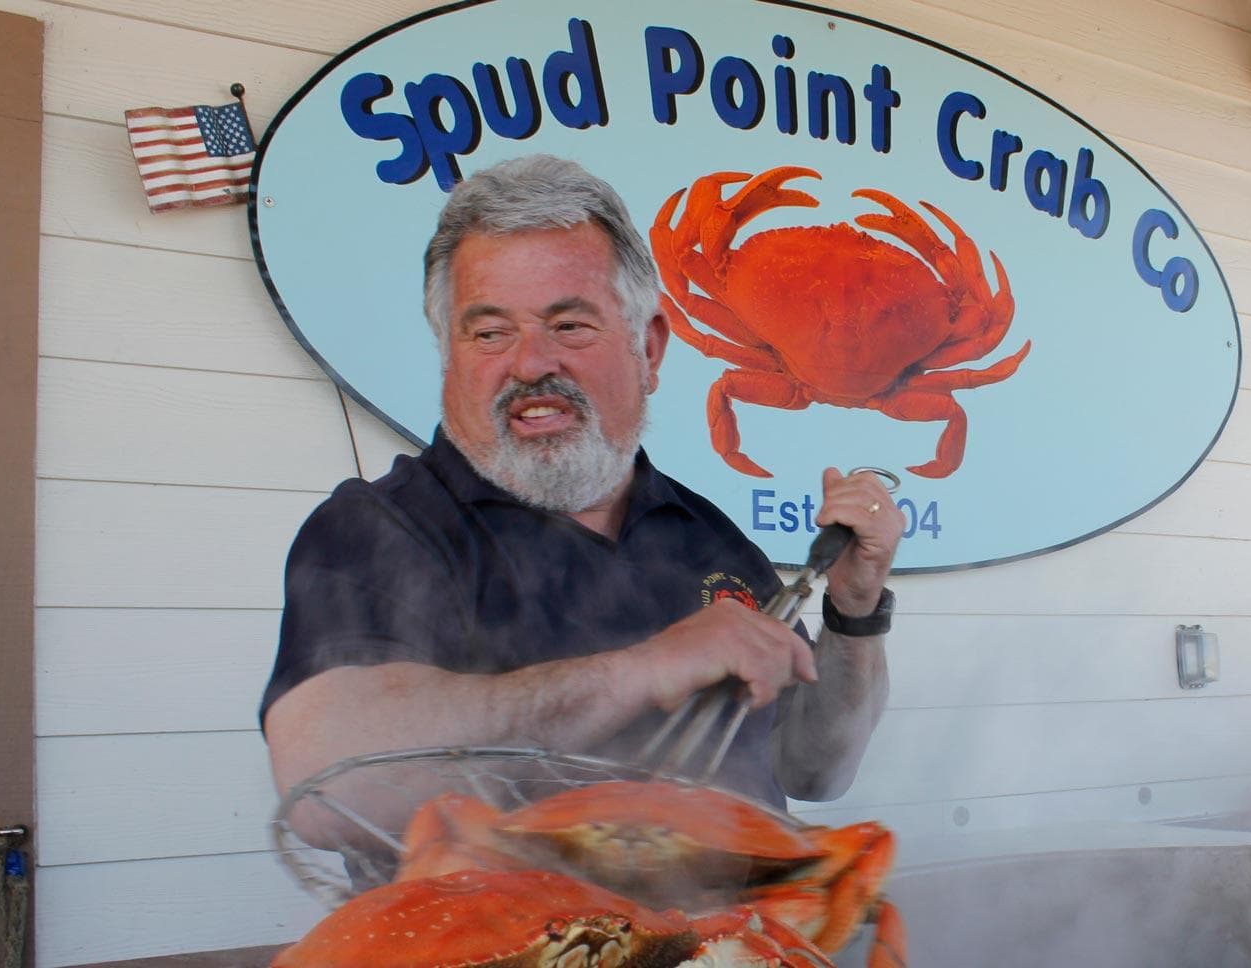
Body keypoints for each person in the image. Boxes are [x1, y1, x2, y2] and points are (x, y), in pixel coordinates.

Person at [260, 154, 901, 842]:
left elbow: (814, 771)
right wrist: (648, 668)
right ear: (449, 353)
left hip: (735, 941)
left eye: (569, 325)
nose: (531, 363)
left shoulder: (707, 537)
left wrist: (855, 610)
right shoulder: (379, 530)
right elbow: (322, 785)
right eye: (490, 332)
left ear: (649, 350)